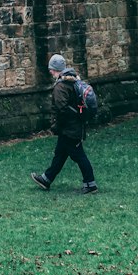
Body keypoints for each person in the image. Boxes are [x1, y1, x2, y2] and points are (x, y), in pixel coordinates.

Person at [30, 54, 98, 193]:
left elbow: (62, 110)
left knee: (79, 155)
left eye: (52, 69)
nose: (50, 72)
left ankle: (90, 184)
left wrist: (55, 126)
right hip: (72, 127)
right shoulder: (72, 82)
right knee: (60, 154)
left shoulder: (60, 87)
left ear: (56, 69)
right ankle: (46, 179)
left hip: (69, 129)